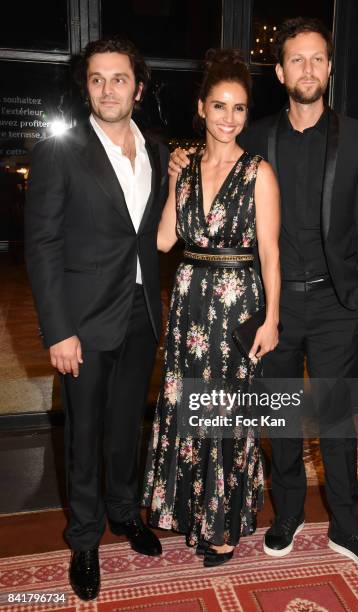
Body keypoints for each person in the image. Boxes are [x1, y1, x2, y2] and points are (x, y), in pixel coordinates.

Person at [169, 18, 358, 579]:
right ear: (280, 71)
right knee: (282, 419)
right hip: (269, 307)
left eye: (318, 58)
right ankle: (288, 514)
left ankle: (349, 528)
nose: (309, 69)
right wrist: (178, 162)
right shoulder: (257, 135)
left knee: (338, 420)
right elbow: (212, 162)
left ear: (330, 67)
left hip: (336, 304)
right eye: (297, 59)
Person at [25, 38, 169, 600]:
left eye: (119, 78)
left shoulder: (156, 150)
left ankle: (124, 512)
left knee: (128, 423)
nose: (108, 89)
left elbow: (152, 232)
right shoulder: (59, 151)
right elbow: (41, 245)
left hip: (139, 313)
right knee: (84, 435)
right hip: (82, 321)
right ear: (86, 86)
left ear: (139, 85)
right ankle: (84, 539)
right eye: (97, 79)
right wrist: (58, 329)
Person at [142, 49, 281, 567]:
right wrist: (174, 181)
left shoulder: (259, 173)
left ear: (247, 113)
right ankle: (193, 512)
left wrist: (271, 319)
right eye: (219, 106)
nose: (229, 118)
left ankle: (222, 526)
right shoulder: (186, 166)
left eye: (239, 108)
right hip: (189, 306)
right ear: (201, 108)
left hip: (237, 308)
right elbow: (161, 242)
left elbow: (270, 253)